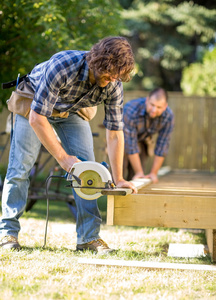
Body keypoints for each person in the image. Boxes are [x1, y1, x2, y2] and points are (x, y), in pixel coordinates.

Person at [0, 36, 137, 252]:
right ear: (96, 62)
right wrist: (63, 159)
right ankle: (8, 233)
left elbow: (115, 133)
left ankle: (88, 238)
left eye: (117, 75)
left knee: (89, 172)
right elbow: (38, 118)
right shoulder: (63, 65)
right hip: (33, 105)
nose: (112, 79)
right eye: (109, 73)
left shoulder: (113, 84)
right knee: (20, 167)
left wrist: (119, 178)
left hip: (70, 110)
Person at [123, 88, 174, 183]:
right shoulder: (131, 109)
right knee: (120, 168)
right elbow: (130, 144)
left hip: (142, 140)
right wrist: (139, 172)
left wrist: (153, 173)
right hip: (122, 138)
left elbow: (162, 146)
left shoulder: (168, 116)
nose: (154, 110)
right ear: (147, 100)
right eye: (152, 105)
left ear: (165, 106)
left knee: (137, 176)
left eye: (159, 107)